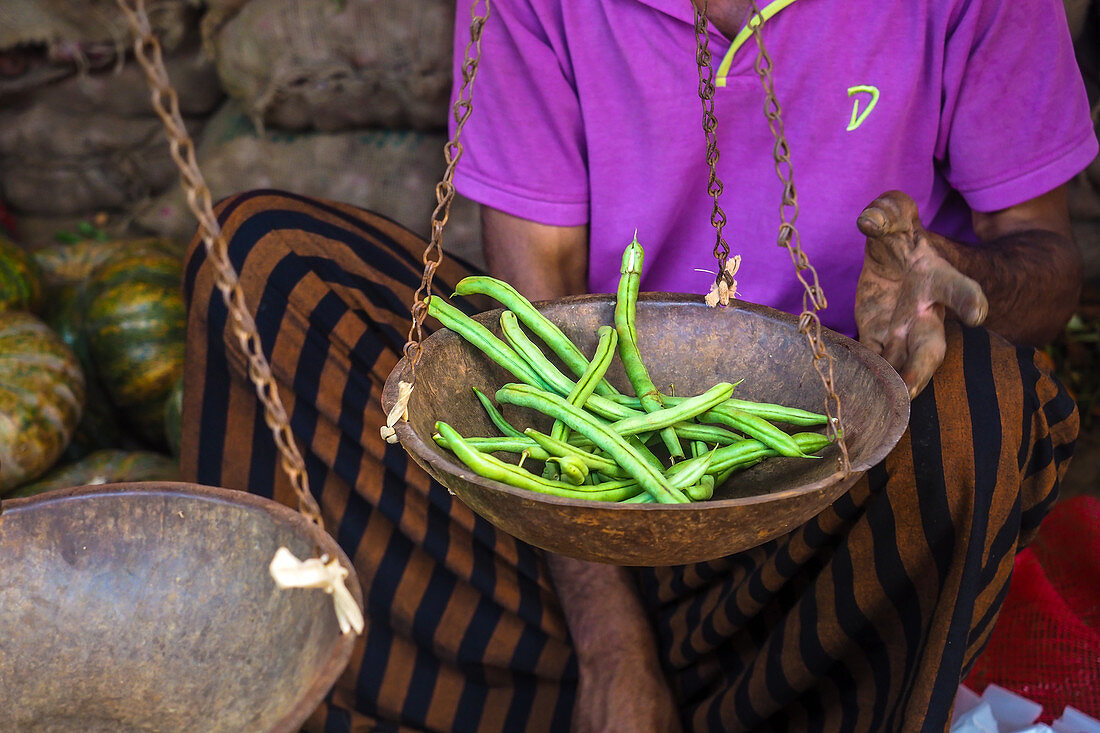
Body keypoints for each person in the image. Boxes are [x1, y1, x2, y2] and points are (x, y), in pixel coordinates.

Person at [178, 0, 1096, 730]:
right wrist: (613, 647)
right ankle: (640, 692)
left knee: (986, 399)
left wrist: (952, 273)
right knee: (263, 264)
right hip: (582, 492)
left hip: (836, 511)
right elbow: (537, 329)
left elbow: (1048, 266)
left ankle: (819, 700)